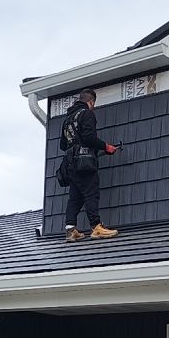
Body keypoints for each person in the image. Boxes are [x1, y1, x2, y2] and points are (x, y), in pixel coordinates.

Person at [59, 88, 119, 240]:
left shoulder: (67, 119)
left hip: (70, 164)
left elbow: (63, 145)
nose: (94, 107)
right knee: (91, 192)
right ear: (91, 102)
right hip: (84, 162)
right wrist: (106, 147)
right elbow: (88, 138)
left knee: (75, 196)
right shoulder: (87, 114)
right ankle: (96, 227)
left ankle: (71, 230)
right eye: (94, 104)